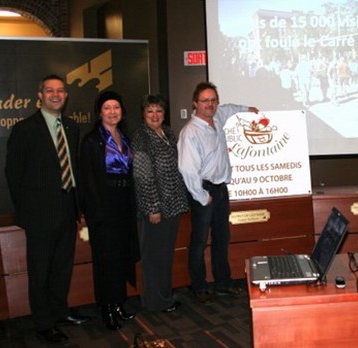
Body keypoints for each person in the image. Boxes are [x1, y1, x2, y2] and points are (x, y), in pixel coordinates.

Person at [4, 74, 91, 343]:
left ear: (66, 96)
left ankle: (60, 312)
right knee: (40, 270)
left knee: (62, 267)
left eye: (60, 91)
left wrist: (77, 207)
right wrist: (29, 210)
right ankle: (43, 323)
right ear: (39, 95)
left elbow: (71, 168)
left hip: (67, 209)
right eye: (49, 91)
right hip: (39, 214)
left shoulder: (72, 126)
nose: (56, 95)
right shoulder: (24, 129)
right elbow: (13, 174)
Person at [177, 81, 258, 303]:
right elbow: (187, 169)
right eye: (205, 100)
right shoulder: (190, 132)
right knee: (200, 241)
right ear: (195, 103)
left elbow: (230, 108)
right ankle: (200, 286)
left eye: (213, 100)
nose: (210, 104)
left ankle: (223, 283)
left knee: (222, 239)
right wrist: (202, 196)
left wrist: (247, 110)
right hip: (204, 191)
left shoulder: (218, 117)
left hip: (221, 190)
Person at [79, 90, 139, 330]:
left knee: (121, 256)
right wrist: (96, 212)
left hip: (123, 203)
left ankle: (118, 303)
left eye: (116, 107)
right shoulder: (92, 140)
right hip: (103, 207)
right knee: (106, 260)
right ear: (99, 112)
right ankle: (107, 307)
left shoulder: (125, 137)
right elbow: (88, 180)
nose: (112, 112)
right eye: (107, 108)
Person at [132, 94, 189, 312]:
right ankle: (155, 302)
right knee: (154, 257)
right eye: (150, 111)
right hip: (156, 209)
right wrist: (153, 208)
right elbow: (143, 176)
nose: (155, 115)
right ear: (143, 114)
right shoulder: (141, 137)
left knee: (165, 255)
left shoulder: (168, 133)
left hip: (172, 206)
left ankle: (164, 296)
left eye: (158, 111)